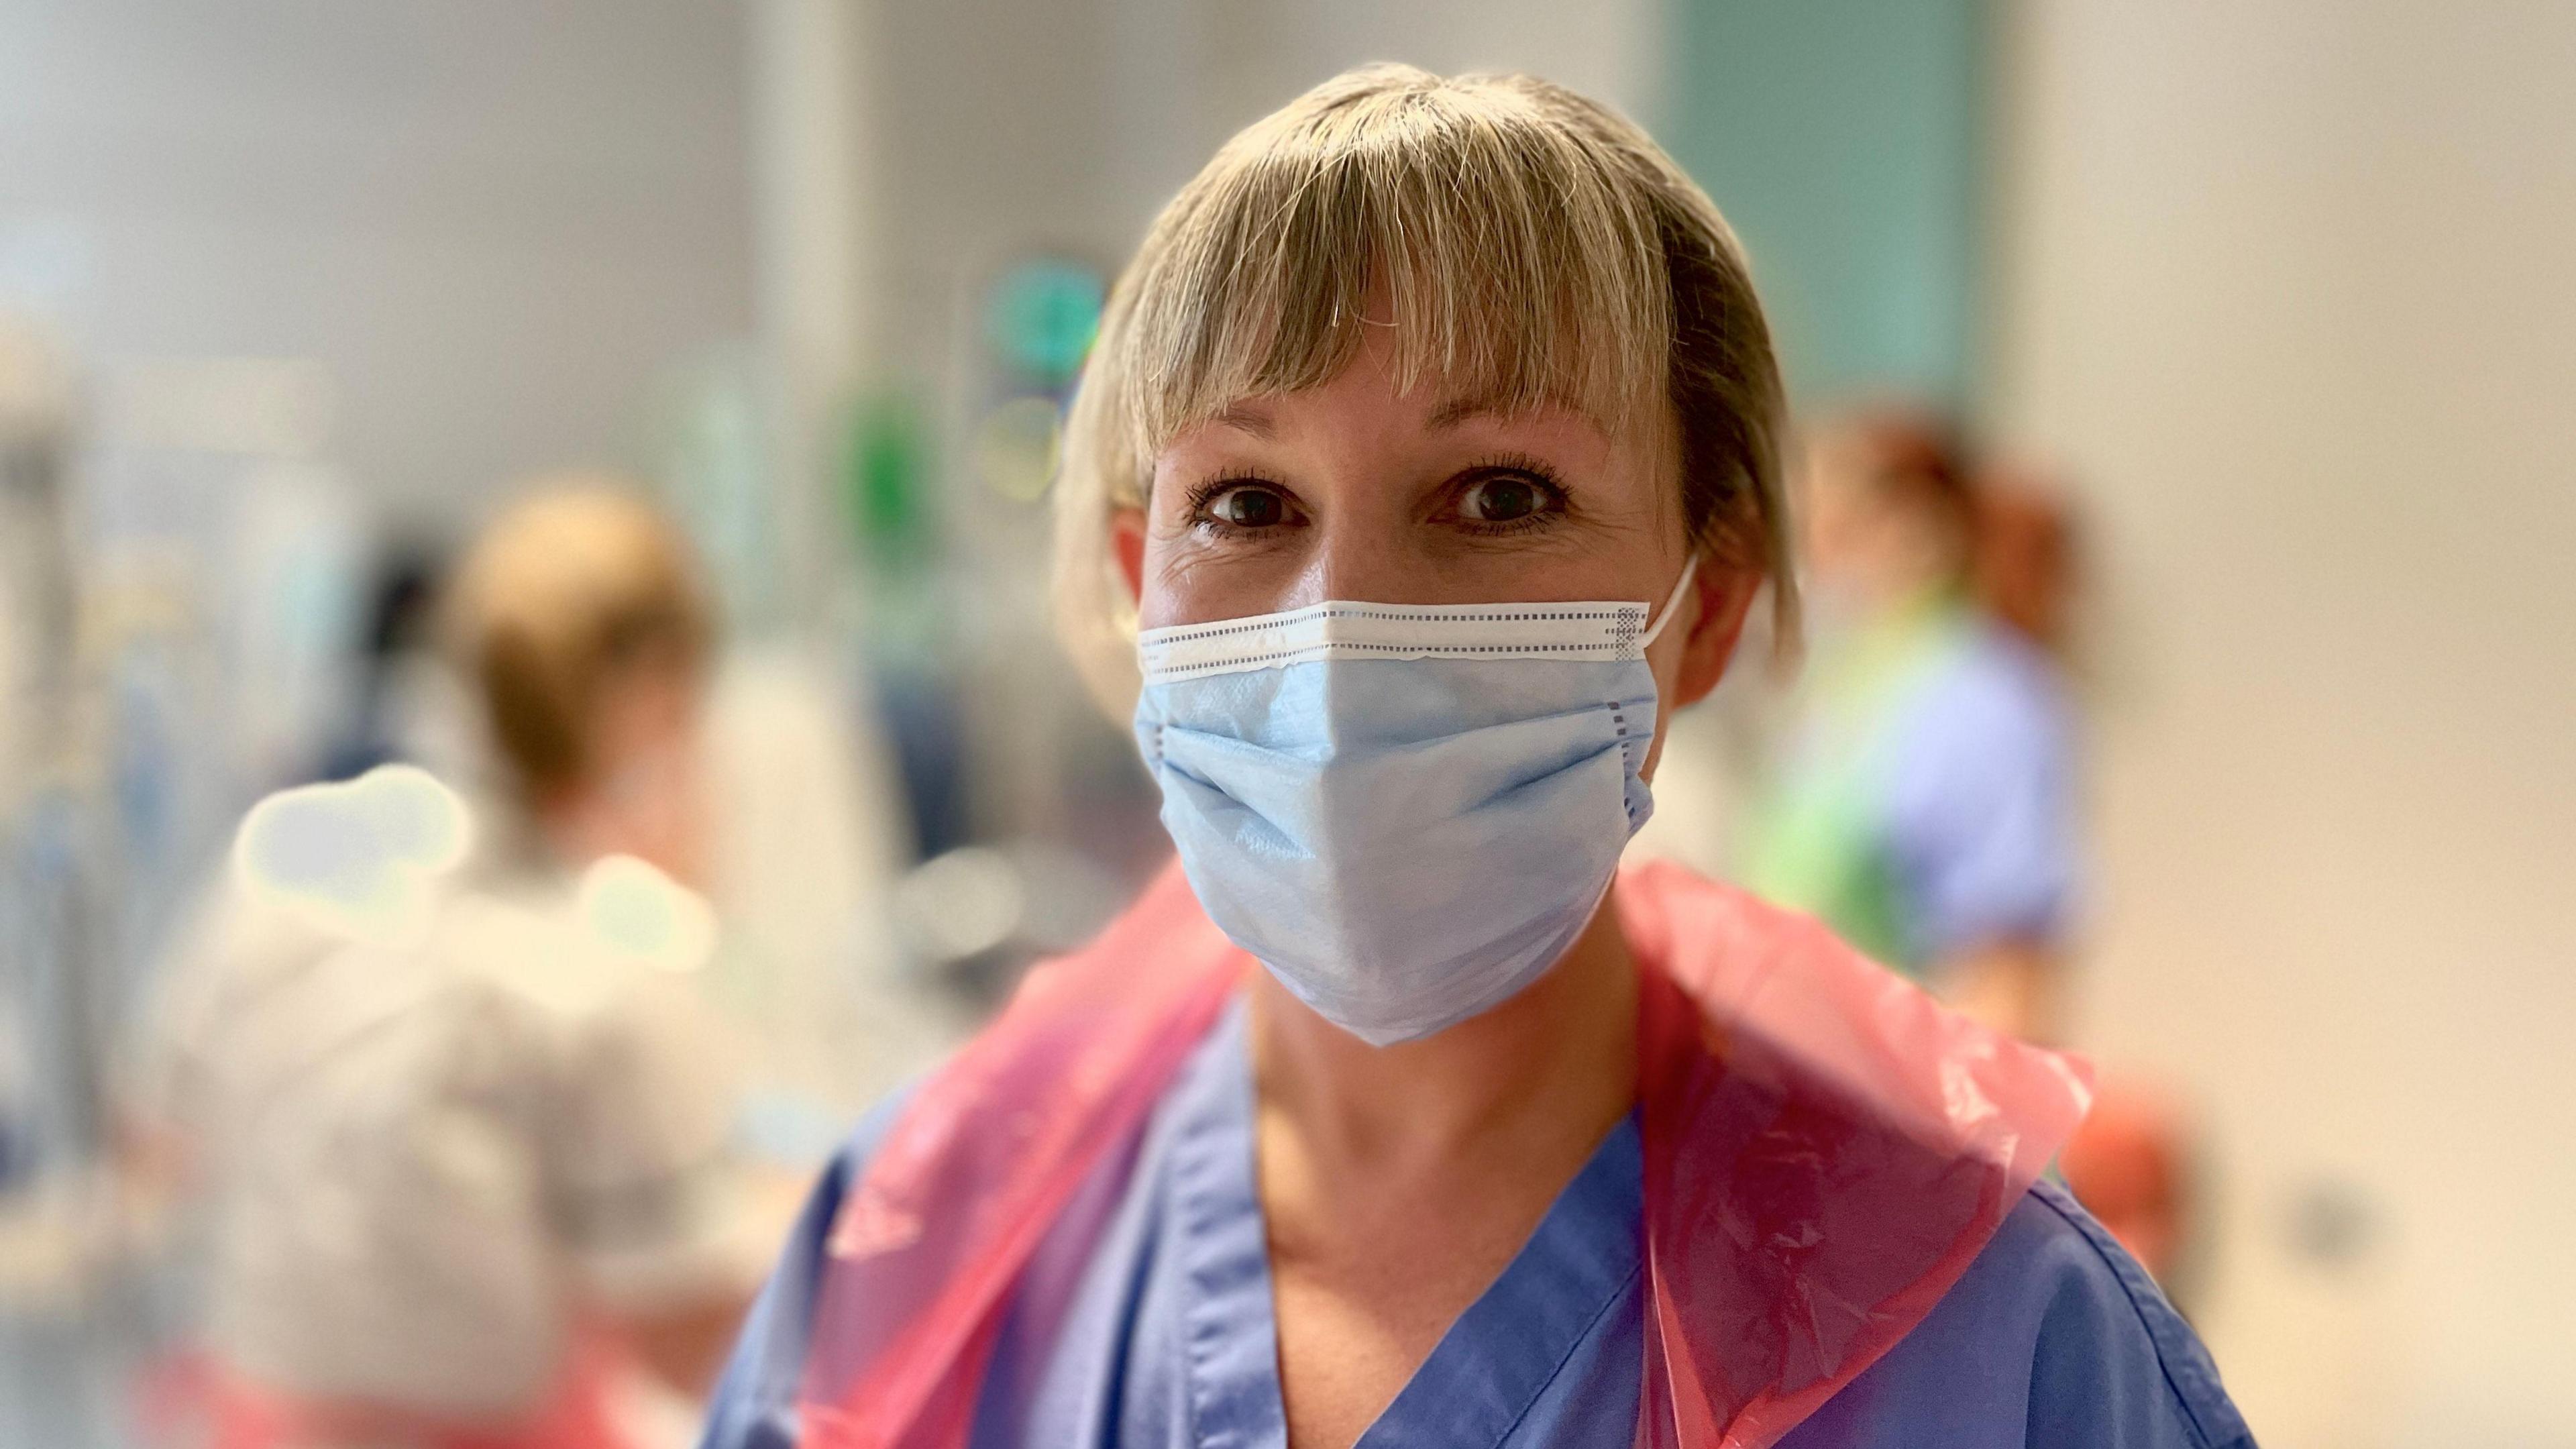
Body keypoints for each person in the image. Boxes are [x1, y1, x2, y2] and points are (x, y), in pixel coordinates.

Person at [701, 66, 2251, 1449]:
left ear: (1699, 606)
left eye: (1499, 494)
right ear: (1133, 578)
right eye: (1244, 503)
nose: (1339, 621)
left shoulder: (2000, 1346)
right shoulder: (917, 1238)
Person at [132, 483, 777, 1449]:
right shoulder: (605, 958)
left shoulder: (284, 858)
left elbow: (155, 1145)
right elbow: (686, 1349)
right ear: (661, 704)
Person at [1734, 415, 2083, 1040]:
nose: (1814, 557)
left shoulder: (1986, 701)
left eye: (1838, 526)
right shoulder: (1843, 689)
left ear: (1924, 532)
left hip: (1900, 1110)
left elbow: (2008, 981)